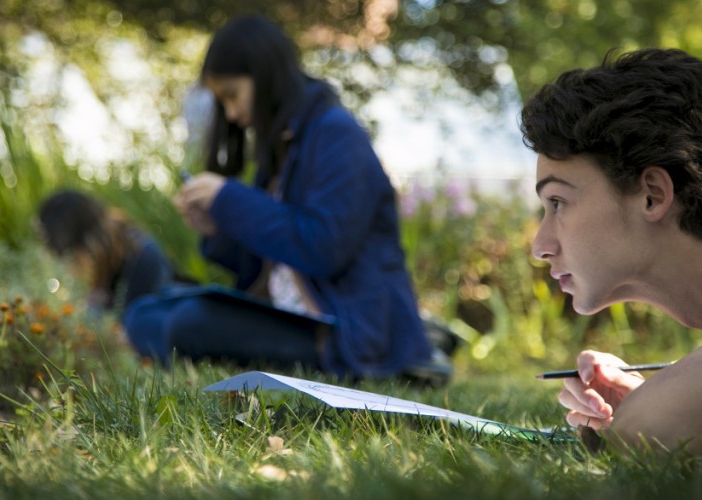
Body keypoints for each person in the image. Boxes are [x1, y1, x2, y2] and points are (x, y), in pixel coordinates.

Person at [520, 48, 702, 459]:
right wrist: (654, 399)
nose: (540, 247)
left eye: (557, 202)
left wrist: (661, 412)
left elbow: (659, 435)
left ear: (653, 194)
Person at [123, 14, 443, 382]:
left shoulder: (337, 134)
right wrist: (215, 227)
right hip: (288, 313)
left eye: (232, 96)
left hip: (346, 329)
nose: (232, 114)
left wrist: (229, 198)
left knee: (187, 323)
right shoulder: (283, 145)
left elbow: (323, 249)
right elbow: (265, 262)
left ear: (264, 78)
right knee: (143, 313)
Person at [37, 190, 175, 315]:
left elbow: (143, 325)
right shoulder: (112, 258)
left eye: (71, 255)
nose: (72, 266)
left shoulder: (142, 257)